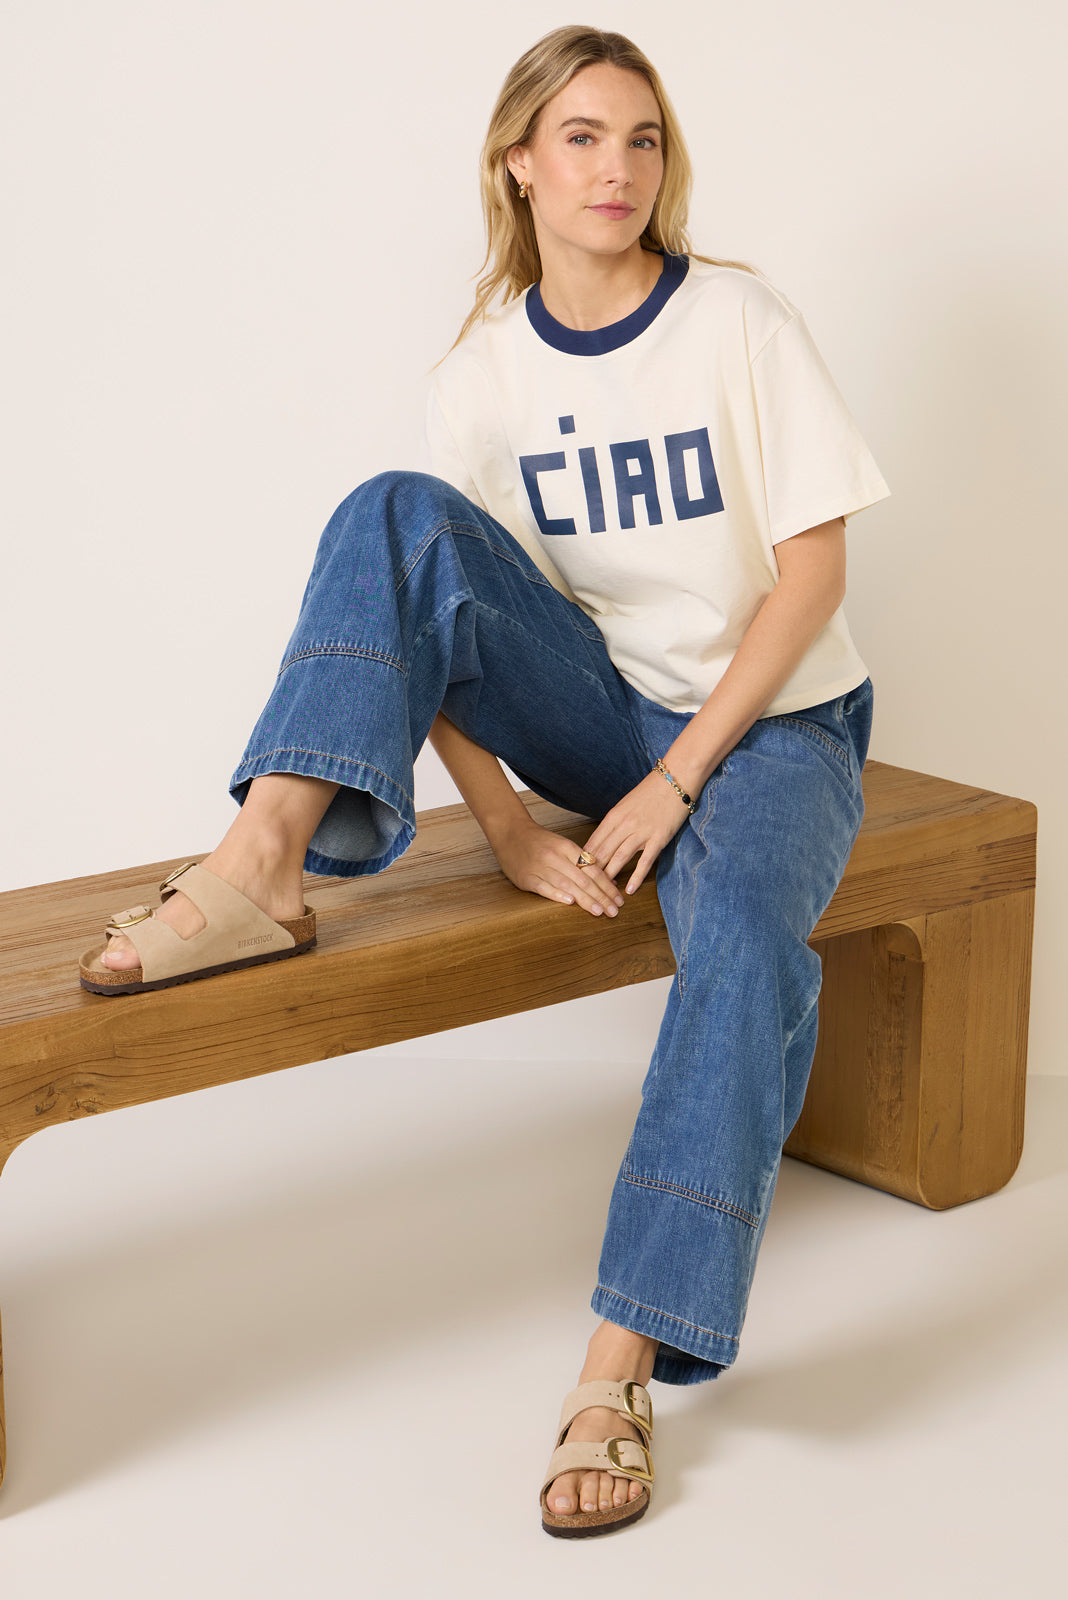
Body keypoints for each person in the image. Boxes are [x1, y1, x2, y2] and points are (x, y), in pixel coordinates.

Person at [79, 25, 889, 1538]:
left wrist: (678, 784)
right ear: (519, 162)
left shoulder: (737, 321)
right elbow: (436, 619)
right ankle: (263, 866)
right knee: (393, 514)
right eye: (581, 136)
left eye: (641, 138)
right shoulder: (487, 375)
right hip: (606, 713)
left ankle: (618, 1365)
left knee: (741, 944)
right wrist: (511, 827)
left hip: (775, 725)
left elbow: (812, 578)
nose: (616, 168)